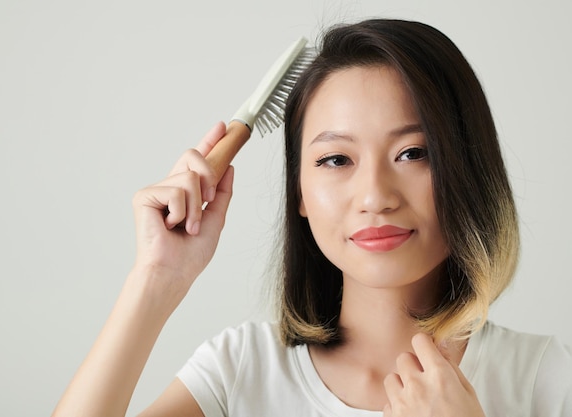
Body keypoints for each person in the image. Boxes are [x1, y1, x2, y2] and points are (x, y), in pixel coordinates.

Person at [51, 19, 572, 417]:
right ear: (298, 191)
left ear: (468, 167)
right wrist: (155, 280)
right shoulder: (241, 372)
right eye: (336, 160)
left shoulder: (545, 380)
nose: (375, 196)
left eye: (414, 153)